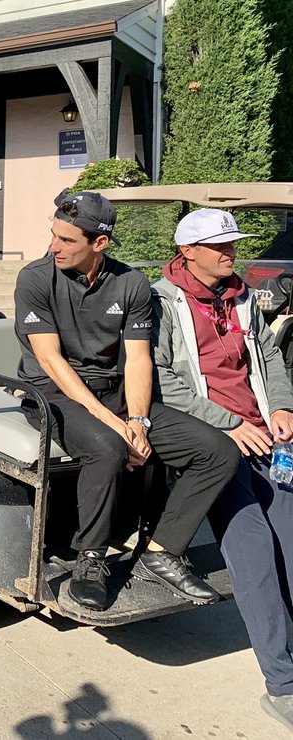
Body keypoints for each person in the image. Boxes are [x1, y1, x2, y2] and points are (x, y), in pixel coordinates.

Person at [13, 190, 236, 611]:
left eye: (66, 240)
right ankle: (90, 557)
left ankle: (160, 549)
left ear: (99, 243)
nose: (53, 246)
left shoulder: (131, 283)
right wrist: (118, 427)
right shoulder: (36, 278)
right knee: (107, 448)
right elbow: (50, 359)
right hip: (52, 394)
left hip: (116, 394)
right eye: (53, 235)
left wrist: (138, 420)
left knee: (219, 451)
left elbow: (137, 359)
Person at [152, 208, 293, 732]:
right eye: (221, 245)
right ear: (187, 251)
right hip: (215, 442)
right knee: (253, 548)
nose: (232, 252)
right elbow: (160, 379)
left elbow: (269, 360)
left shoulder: (241, 298)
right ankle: (283, 684)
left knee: (292, 539)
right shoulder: (160, 300)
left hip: (265, 432)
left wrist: (282, 407)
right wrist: (228, 425)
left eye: (233, 243)